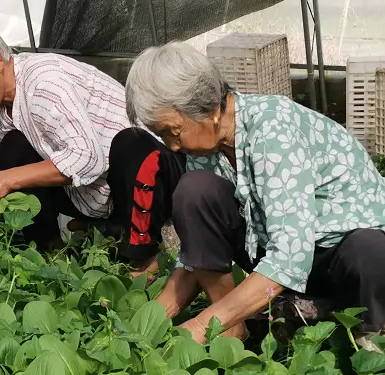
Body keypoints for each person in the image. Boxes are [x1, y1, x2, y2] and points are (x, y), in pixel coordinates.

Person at [124, 42, 385, 343]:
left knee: (371, 251)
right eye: (162, 135)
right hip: (284, 259)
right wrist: (148, 324)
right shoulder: (206, 147)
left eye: (173, 131)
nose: (171, 145)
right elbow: (198, 250)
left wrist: (200, 326)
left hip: (340, 260)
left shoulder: (273, 130)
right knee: (194, 192)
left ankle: (368, 338)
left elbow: (290, 258)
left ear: (207, 108)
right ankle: (238, 330)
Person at [0, 15, 184, 269]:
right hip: (93, 191)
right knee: (13, 148)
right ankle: (49, 256)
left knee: (131, 143)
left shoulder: (44, 82)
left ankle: (143, 258)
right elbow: (0, 180)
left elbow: (87, 160)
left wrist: (6, 180)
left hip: (149, 181)